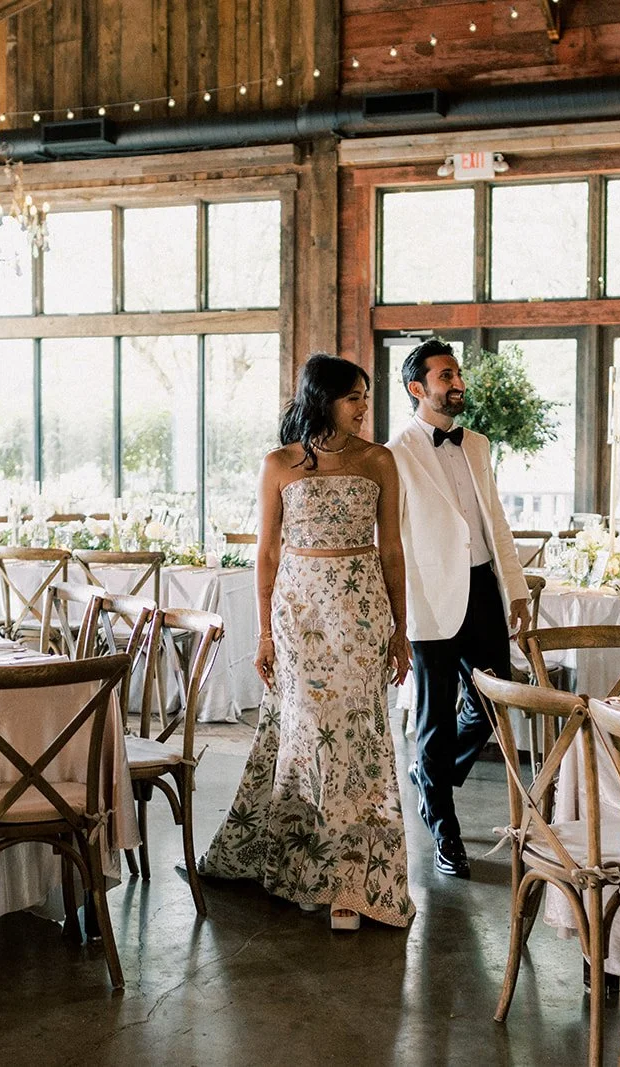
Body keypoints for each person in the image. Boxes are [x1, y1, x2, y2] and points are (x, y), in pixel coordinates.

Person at [199, 353, 416, 931]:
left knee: (358, 736)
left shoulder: (379, 461)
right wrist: (266, 633)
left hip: (362, 612)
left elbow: (391, 549)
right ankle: (301, 867)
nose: (364, 407)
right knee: (305, 733)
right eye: (353, 398)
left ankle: (352, 881)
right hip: (299, 616)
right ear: (322, 399)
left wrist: (401, 629)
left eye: (366, 396)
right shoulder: (279, 464)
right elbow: (266, 553)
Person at [387, 339, 529, 879]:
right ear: (417, 388)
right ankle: (445, 834)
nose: (457, 383)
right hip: (430, 598)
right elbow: (393, 539)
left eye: (457, 374)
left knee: (493, 704)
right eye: (446, 375)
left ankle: (432, 778)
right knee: (435, 722)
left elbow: (495, 519)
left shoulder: (478, 445)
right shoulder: (395, 453)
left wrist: (514, 589)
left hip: (484, 590)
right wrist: (398, 617)